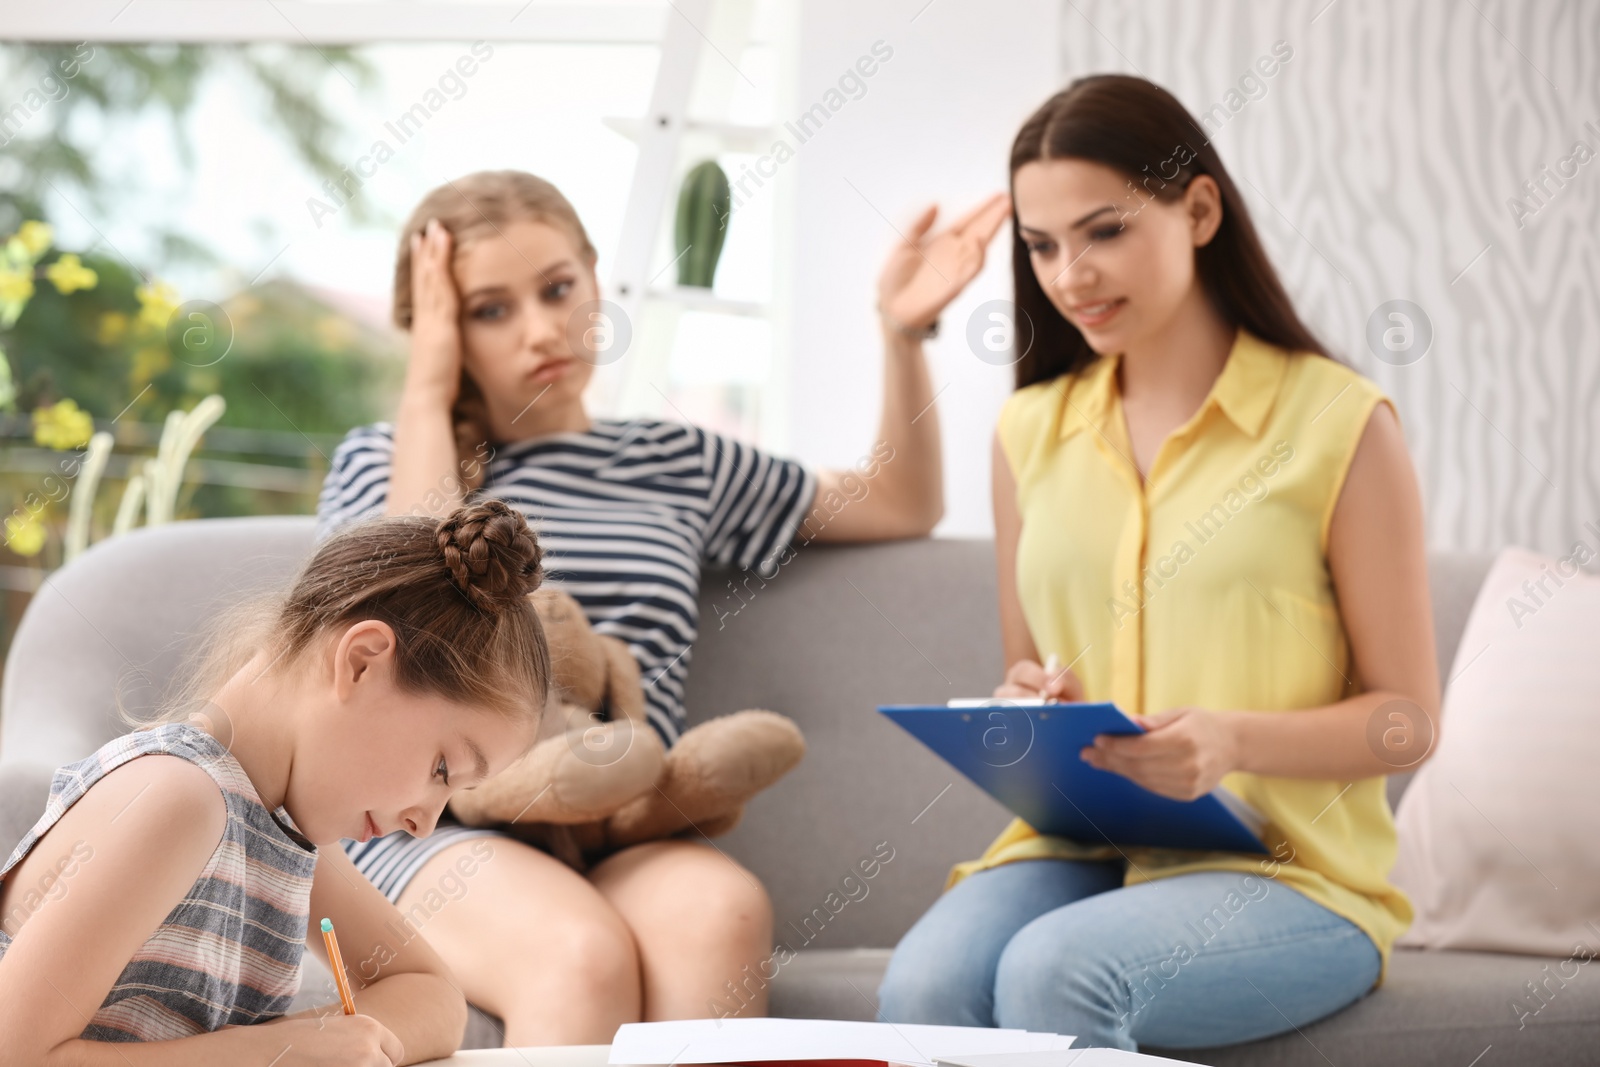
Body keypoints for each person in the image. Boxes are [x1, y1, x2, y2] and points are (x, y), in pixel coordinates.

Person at [314, 169, 1008, 1045]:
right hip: (432, 824)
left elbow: (900, 502)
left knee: (720, 909)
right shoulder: (381, 456)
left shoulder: (674, 457)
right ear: (443, 328)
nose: (541, 330)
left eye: (559, 289)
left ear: (597, 281)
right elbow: (417, 613)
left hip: (626, 816)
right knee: (578, 952)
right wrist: (425, 389)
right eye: (490, 309)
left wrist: (902, 331)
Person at [876, 74, 1441, 1052]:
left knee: (1059, 970)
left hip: (1286, 871)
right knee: (924, 980)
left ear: (1200, 209)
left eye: (1103, 231)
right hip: (1080, 845)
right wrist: (1026, 708)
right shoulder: (1029, 430)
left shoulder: (1337, 424)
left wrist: (1229, 740)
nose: (1069, 275)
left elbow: (1407, 724)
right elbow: (1031, 670)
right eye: (1041, 245)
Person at [0, 498, 552, 1065]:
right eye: (442, 770)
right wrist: (279, 1054)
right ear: (362, 662)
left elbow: (434, 996)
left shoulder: (274, 830)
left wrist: (327, 1044)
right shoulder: (177, 799)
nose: (423, 823)